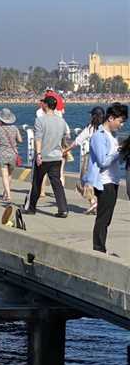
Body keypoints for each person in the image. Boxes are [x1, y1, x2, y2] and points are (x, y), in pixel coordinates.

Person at [84, 103, 127, 253]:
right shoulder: (98, 136)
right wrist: (118, 151)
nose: (121, 125)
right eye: (120, 121)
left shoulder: (113, 136)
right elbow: (103, 161)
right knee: (103, 218)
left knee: (107, 218)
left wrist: (123, 152)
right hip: (104, 181)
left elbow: (116, 160)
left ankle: (101, 247)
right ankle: (98, 248)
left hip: (113, 180)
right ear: (111, 118)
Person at [23, 96, 70, 218]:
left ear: (46, 105)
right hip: (57, 157)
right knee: (57, 183)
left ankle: (31, 208)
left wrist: (38, 154)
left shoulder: (40, 120)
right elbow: (66, 135)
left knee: (37, 183)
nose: (41, 105)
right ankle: (63, 209)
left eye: (43, 103)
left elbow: (38, 138)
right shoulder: (61, 121)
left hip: (43, 157)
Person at [64, 106, 105, 214]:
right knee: (99, 183)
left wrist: (65, 150)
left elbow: (77, 141)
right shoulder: (105, 128)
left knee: (83, 182)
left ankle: (92, 202)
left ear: (93, 116)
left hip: (91, 158)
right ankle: (97, 204)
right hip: (103, 160)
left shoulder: (90, 128)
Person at [0, 107, 23, 204]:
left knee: (4, 174)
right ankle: (6, 193)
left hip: (2, 152)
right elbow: (20, 140)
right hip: (13, 153)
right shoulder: (14, 128)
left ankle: (8, 195)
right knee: (9, 175)